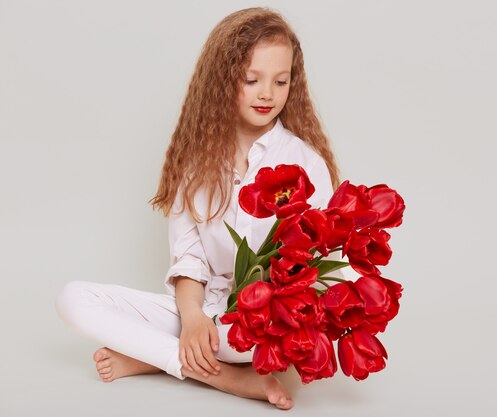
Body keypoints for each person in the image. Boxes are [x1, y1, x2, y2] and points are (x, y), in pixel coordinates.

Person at [55, 7, 342, 411]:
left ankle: (152, 357)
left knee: (251, 343)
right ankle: (223, 377)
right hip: (203, 308)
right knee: (74, 299)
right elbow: (189, 259)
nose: (267, 94)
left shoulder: (306, 163)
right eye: (251, 79)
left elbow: (311, 265)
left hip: (262, 322)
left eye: (281, 81)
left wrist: (236, 317)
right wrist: (192, 319)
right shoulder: (198, 162)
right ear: (223, 81)